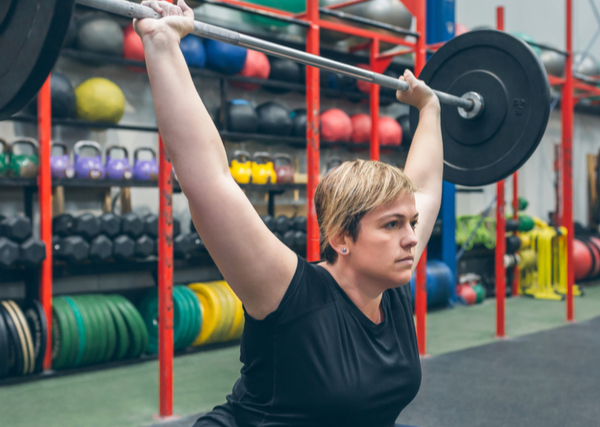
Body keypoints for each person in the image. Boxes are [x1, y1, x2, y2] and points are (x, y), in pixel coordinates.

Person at [133, 1, 443, 425]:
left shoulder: (390, 283)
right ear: (340, 238)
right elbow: (209, 181)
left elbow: (424, 188)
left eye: (411, 223)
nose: (411, 237)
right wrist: (162, 43)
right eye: (391, 225)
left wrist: (430, 109)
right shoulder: (291, 293)